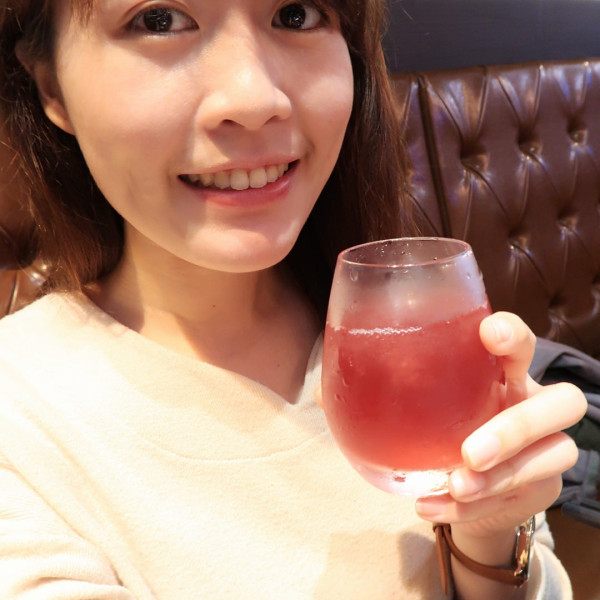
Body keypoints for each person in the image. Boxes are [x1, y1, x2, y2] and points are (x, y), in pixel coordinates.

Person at [0, 1, 587, 599]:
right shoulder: (19, 424)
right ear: (52, 87)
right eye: (159, 20)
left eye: (296, 14)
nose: (254, 98)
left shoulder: (397, 326)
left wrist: (490, 535)